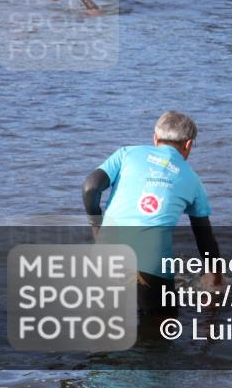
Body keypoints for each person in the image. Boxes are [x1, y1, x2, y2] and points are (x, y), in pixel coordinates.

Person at [83, 111, 221, 315]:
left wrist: (96, 225)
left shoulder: (126, 154)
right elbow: (204, 237)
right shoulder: (193, 181)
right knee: (162, 327)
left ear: (155, 138)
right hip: (151, 265)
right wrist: (215, 277)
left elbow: (90, 188)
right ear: (188, 145)